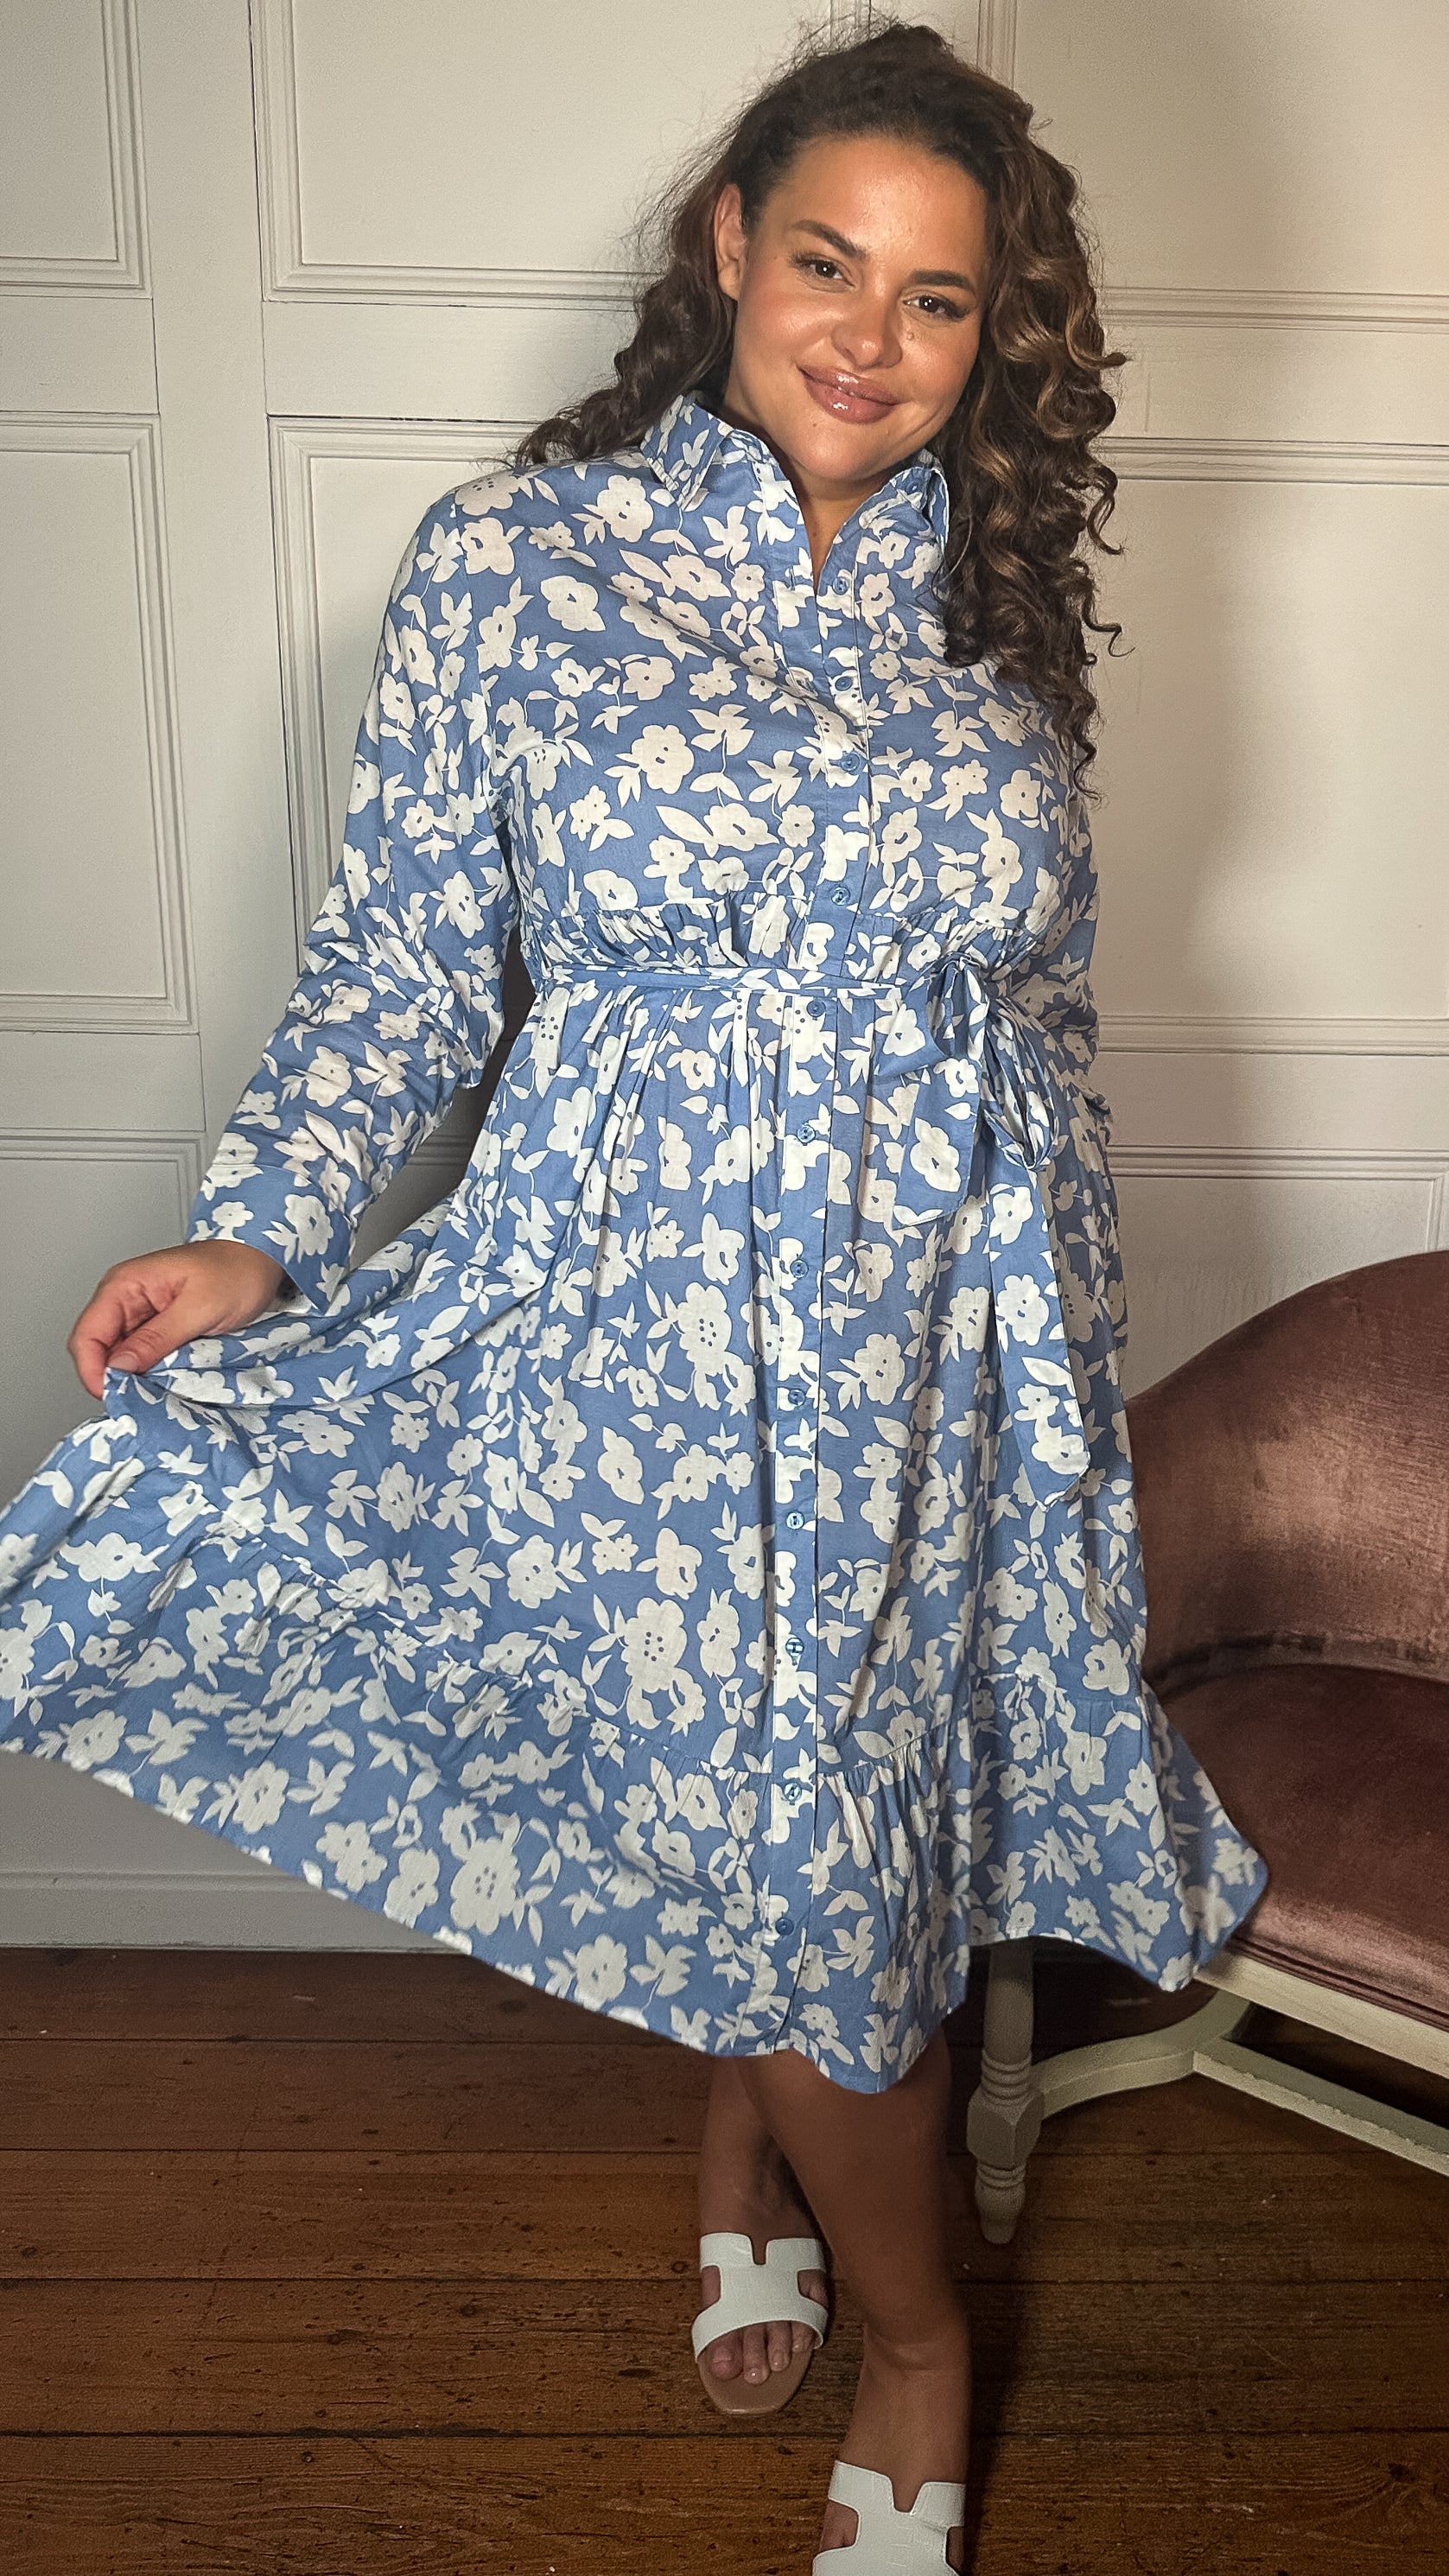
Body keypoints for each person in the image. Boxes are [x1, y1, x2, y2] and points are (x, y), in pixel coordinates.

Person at [0, 21, 1267, 2570]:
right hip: (634, 1347)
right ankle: (921, 2333)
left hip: (931, 1357)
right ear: (728, 247)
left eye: (937, 299)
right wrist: (264, 1226)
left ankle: (765, 2175)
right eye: (827, 263)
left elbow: (1043, 1023)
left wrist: (1057, 1385)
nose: (869, 337)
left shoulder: (1000, 611)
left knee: (844, 1841)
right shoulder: (517, 559)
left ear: (989, 336)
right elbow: (403, 962)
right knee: (767, 1836)